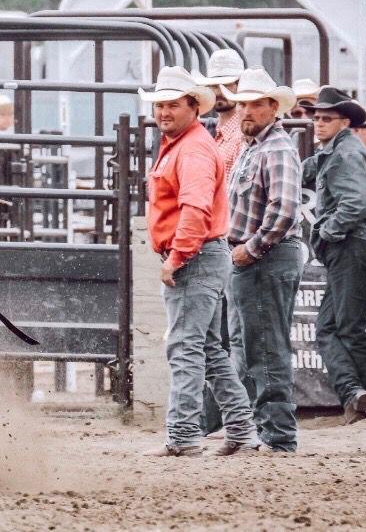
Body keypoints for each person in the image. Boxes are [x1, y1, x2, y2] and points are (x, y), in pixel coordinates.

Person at [138, 67, 258, 457]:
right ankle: (240, 429)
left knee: (186, 347)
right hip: (204, 254)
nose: (163, 112)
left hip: (196, 255)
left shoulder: (190, 149)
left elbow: (195, 209)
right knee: (206, 348)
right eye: (160, 105)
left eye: (172, 104)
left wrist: (176, 257)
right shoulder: (188, 144)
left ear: (193, 107)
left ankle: (184, 435)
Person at [221, 68, 303, 452]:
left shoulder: (276, 148)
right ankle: (266, 429)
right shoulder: (256, 147)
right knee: (255, 346)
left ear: (273, 107)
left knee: (265, 347)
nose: (247, 111)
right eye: (242, 104)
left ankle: (278, 435)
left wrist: (250, 248)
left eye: (255, 104)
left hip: (264, 257)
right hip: (256, 257)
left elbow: (284, 209)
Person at [301, 87, 366, 424]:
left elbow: (358, 203)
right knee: (329, 327)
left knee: (347, 326)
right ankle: (353, 393)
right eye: (316, 118)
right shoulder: (336, 151)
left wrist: (328, 232)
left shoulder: (345, 153)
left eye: (327, 118)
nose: (319, 123)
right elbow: (310, 168)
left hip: (350, 245)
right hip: (348, 246)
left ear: (344, 122)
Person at [194, 48, 246, 175]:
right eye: (214, 85)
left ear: (239, 85)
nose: (218, 92)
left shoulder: (243, 136)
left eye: (226, 85)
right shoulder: (212, 130)